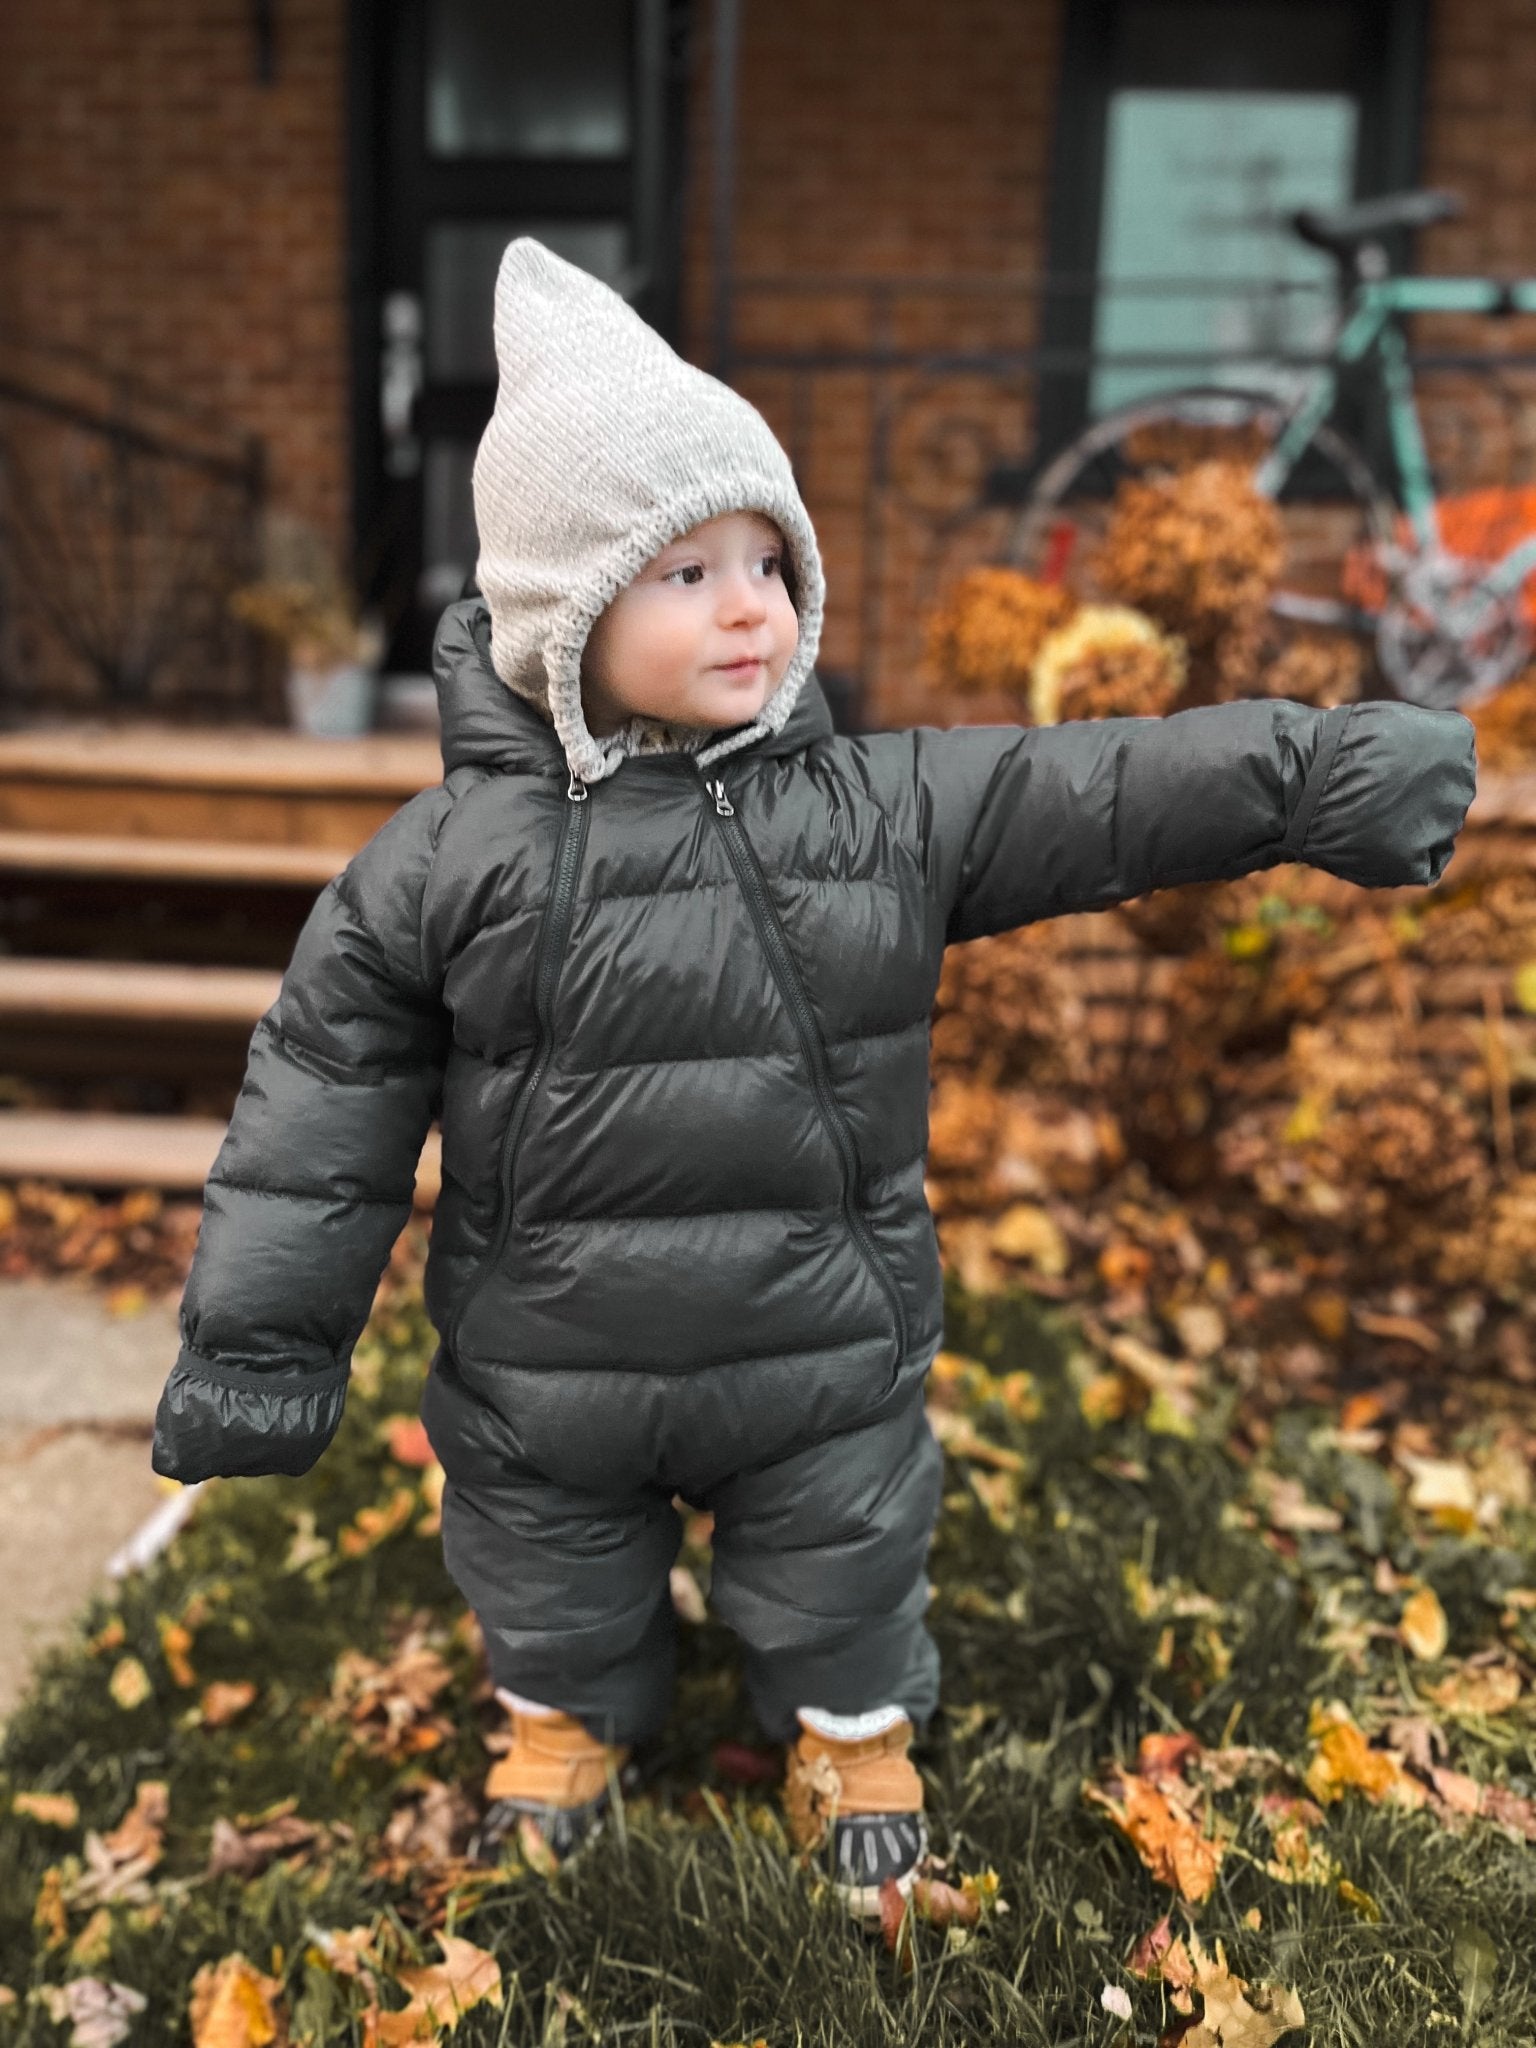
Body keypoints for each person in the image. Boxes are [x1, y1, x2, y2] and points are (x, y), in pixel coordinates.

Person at [152, 237, 1478, 1923]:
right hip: (549, 1359)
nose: (745, 604)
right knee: (549, 1569)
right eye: (682, 568)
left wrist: (1317, 772)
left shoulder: (876, 806)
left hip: (823, 1345)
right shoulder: (444, 863)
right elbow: (316, 1113)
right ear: (561, 621)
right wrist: (265, 1349)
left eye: (766, 561)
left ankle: (851, 1731)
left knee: (841, 1551)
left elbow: (1110, 788)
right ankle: (564, 1720)